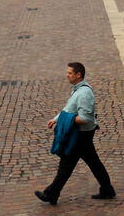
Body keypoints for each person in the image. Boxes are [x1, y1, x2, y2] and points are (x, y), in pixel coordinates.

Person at [35, 62, 116, 204]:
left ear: (78, 75)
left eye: (70, 73)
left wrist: (65, 120)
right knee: (93, 162)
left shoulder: (84, 94)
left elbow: (85, 118)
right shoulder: (78, 90)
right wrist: (56, 119)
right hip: (82, 135)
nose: (67, 75)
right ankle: (107, 189)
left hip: (80, 135)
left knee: (66, 165)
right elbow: (69, 109)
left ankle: (51, 194)